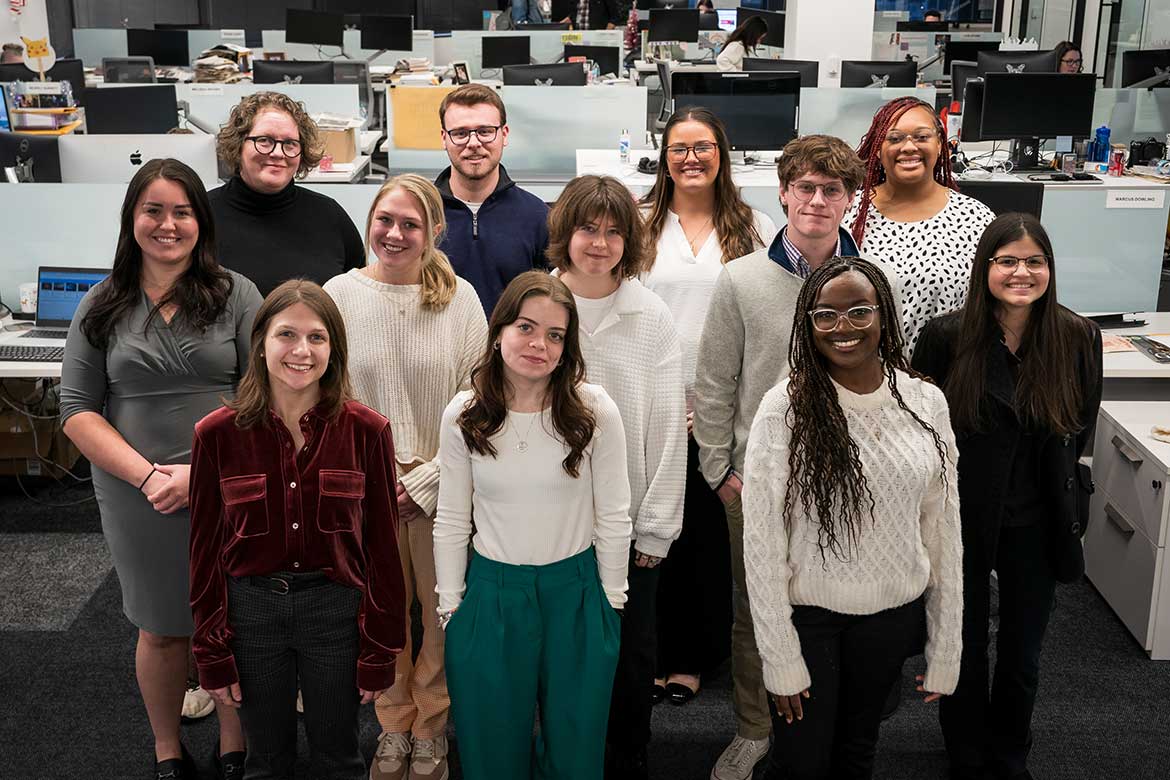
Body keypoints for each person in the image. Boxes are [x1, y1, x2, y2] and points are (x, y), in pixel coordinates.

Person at [694, 133, 902, 780]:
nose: (816, 201)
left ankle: (823, 730)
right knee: (757, 614)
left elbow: (890, 378)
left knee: (838, 614)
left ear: (850, 199)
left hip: (848, 486)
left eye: (831, 190)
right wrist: (720, 473)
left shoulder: (874, 280)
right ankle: (754, 730)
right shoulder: (741, 280)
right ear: (782, 193)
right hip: (755, 485)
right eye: (804, 188)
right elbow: (713, 383)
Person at [60, 158, 261, 780]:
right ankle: (167, 747)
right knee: (162, 624)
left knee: (232, 614)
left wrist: (201, 475)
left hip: (229, 482)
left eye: (182, 211)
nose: (168, 224)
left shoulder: (237, 294)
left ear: (201, 221)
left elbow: (266, 396)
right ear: (132, 219)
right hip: (136, 492)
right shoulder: (101, 302)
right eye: (153, 210)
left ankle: (234, 740)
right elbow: (74, 410)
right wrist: (150, 477)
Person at [744, 256, 963, 780]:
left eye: (859, 311)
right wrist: (778, 658)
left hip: (891, 615)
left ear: (884, 316)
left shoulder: (925, 401)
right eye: (826, 315)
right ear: (808, 324)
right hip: (811, 618)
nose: (844, 328)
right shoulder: (784, 408)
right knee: (801, 761)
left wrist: (946, 645)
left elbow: (944, 532)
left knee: (856, 753)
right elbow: (762, 542)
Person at [188, 280, 407, 780]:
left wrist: (380, 649)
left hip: (334, 612)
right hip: (252, 613)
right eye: (287, 334)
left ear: (335, 350)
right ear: (261, 342)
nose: (301, 351)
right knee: (266, 760)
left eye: (317, 337)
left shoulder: (367, 431)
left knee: (339, 757)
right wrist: (210, 651)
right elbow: (203, 555)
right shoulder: (216, 436)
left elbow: (382, 553)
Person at [912, 213, 1103, 780]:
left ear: (1049, 269)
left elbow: (1081, 428)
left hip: (1038, 517)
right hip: (962, 515)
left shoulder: (1076, 336)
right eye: (1007, 261)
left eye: (1035, 262)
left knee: (1022, 653)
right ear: (986, 269)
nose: (1022, 272)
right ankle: (965, 752)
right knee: (961, 644)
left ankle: (1009, 752)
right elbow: (920, 428)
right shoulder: (948, 337)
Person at [434, 271, 632, 780]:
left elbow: (613, 513)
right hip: (491, 595)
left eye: (555, 335)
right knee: (491, 746)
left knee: (576, 748)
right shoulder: (465, 414)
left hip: (578, 595)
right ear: (500, 330)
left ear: (567, 348)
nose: (538, 344)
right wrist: (451, 604)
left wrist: (611, 602)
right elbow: (453, 517)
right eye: (526, 327)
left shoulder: (593, 410)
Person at [323, 174, 488, 780]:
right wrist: (363, 479)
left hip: (441, 488)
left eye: (410, 224)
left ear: (433, 233)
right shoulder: (337, 295)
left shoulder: (460, 299)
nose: (394, 234)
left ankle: (433, 727)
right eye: (385, 220)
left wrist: (430, 480)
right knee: (381, 614)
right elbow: (324, 398)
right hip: (364, 489)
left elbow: (481, 401)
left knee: (443, 613)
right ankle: (394, 724)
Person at [548, 174, 687, 779]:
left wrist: (656, 527)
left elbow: (665, 425)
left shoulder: (649, 313)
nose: (599, 243)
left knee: (631, 655)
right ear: (565, 233)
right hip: (551, 521)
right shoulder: (538, 305)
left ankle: (626, 758)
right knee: (561, 655)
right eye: (587, 228)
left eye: (612, 232)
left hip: (628, 523)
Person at [639, 107, 776, 713]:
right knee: (651, 533)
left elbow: (770, 320)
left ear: (722, 154)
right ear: (663, 159)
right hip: (649, 404)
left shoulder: (756, 226)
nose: (690, 158)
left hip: (725, 409)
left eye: (702, 147)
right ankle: (654, 650)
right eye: (678, 148)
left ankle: (692, 657)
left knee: (705, 539)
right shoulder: (639, 224)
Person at [844, 96, 995, 354]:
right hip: (861, 377)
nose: (909, 147)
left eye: (922, 137)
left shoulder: (975, 218)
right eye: (894, 138)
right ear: (878, 149)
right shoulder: (848, 212)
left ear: (940, 145)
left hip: (948, 376)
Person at [209, 91, 365, 297]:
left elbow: (359, 294)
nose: (278, 153)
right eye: (264, 140)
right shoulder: (203, 214)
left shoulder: (329, 216)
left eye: (290, 143)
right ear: (238, 145)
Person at [436, 84, 550, 314]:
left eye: (485, 131)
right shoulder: (420, 213)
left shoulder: (537, 217)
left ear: (504, 134)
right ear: (444, 139)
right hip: (438, 347)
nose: (474, 143)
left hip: (511, 349)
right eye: (460, 133)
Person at [558, 0, 622, 30]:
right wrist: (558, 26)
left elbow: (615, 16)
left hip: (598, 38)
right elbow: (575, 13)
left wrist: (606, 33)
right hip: (578, 37)